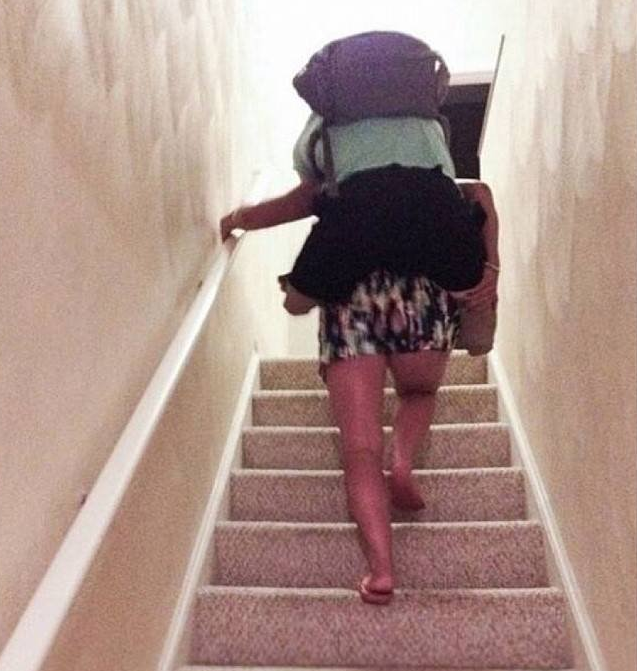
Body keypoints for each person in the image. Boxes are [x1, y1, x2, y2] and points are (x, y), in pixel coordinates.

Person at [220, 56, 499, 608]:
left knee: (359, 448)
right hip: (422, 290)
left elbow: (303, 201)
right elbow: (481, 195)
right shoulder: (430, 130)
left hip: (351, 295)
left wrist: (238, 219)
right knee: (418, 391)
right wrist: (490, 268)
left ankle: (381, 571)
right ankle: (405, 463)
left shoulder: (323, 129)